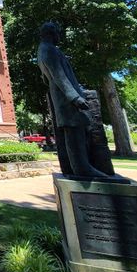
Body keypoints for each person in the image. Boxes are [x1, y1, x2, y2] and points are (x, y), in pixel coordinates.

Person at [37, 22, 115, 179]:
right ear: (52, 34)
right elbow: (58, 75)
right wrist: (75, 97)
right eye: (58, 33)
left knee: (76, 132)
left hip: (61, 97)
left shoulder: (43, 50)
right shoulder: (49, 50)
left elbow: (48, 78)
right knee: (74, 131)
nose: (59, 36)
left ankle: (82, 166)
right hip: (66, 100)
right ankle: (82, 168)